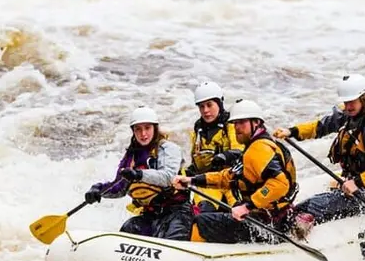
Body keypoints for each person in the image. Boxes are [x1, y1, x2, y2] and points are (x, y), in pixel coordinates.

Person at [273, 74, 365, 238]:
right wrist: (292, 131)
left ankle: (299, 237)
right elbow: (320, 127)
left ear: (364, 98)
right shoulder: (348, 116)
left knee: (313, 206)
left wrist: (357, 182)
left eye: (352, 102)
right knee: (301, 207)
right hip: (350, 185)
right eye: (346, 102)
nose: (348, 107)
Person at [171, 99, 298, 244]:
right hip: (272, 217)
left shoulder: (259, 149)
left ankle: (196, 259)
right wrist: (192, 180)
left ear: (256, 123)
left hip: (267, 222)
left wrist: (248, 206)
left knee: (202, 221)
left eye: (242, 122)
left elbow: (280, 184)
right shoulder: (255, 147)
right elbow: (226, 177)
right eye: (235, 123)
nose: (237, 127)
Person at [83, 106, 192, 241]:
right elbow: (119, 188)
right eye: (138, 129)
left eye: (147, 128)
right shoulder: (131, 157)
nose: (143, 134)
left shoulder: (169, 149)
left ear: (155, 128)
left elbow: (168, 177)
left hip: (177, 211)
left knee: (173, 239)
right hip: (150, 214)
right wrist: (98, 190)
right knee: (129, 228)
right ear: (133, 131)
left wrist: (139, 174)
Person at [184, 81, 243, 212]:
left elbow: (241, 152)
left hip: (232, 182)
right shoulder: (198, 131)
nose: (205, 110)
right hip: (208, 183)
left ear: (219, 103)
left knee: (239, 211)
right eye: (201, 106)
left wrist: (224, 156)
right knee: (201, 211)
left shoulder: (232, 125)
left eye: (209, 105)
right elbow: (197, 163)